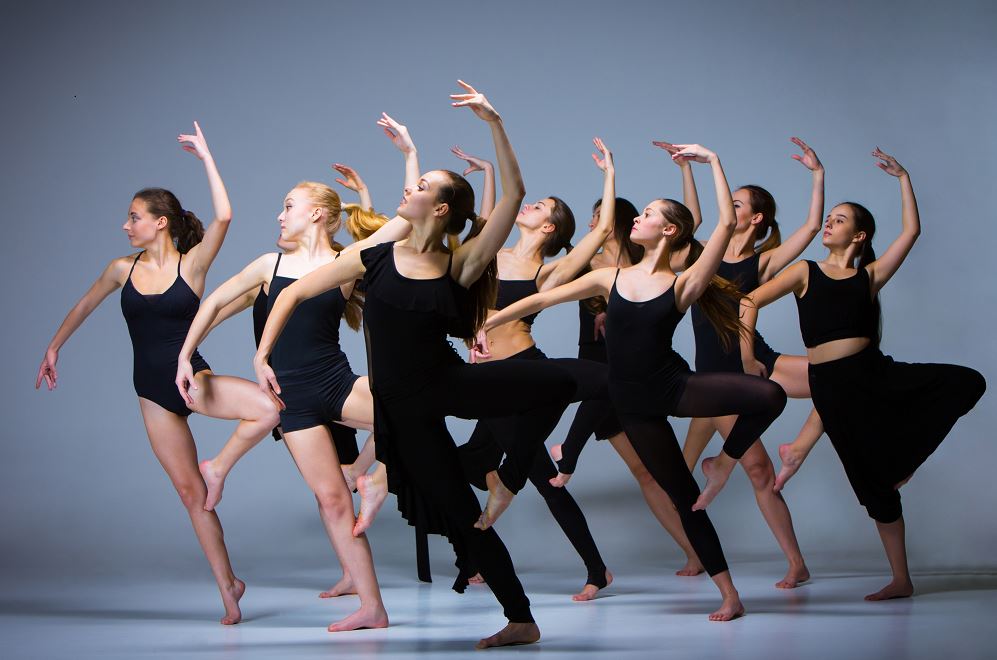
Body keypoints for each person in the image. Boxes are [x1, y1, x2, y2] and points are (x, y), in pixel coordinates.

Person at [482, 143, 788, 620]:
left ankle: (724, 465)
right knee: (686, 499)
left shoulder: (683, 283)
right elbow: (544, 300)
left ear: (668, 230)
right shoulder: (610, 277)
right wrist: (490, 324)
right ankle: (730, 593)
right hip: (633, 403)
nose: (636, 219)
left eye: (646, 214)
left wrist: (712, 162)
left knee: (770, 394)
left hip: (674, 386)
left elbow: (725, 225)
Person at [35, 123, 279, 625]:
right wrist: (54, 347)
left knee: (267, 409)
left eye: (134, 217)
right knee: (191, 495)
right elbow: (84, 305)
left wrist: (206, 155)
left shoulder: (192, 267)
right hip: (150, 393)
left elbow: (225, 215)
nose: (126, 225)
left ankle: (222, 466)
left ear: (161, 222)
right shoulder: (120, 269)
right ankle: (228, 588)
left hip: (194, 381)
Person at [739, 148, 985, 600]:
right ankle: (901, 580)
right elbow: (748, 302)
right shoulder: (804, 272)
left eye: (840, 219)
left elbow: (911, 231)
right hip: (832, 389)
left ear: (859, 234)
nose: (829, 224)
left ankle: (901, 467)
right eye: (828, 218)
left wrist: (904, 178)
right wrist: (746, 359)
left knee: (968, 381)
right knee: (875, 492)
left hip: (873, 373)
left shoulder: (868, 277)